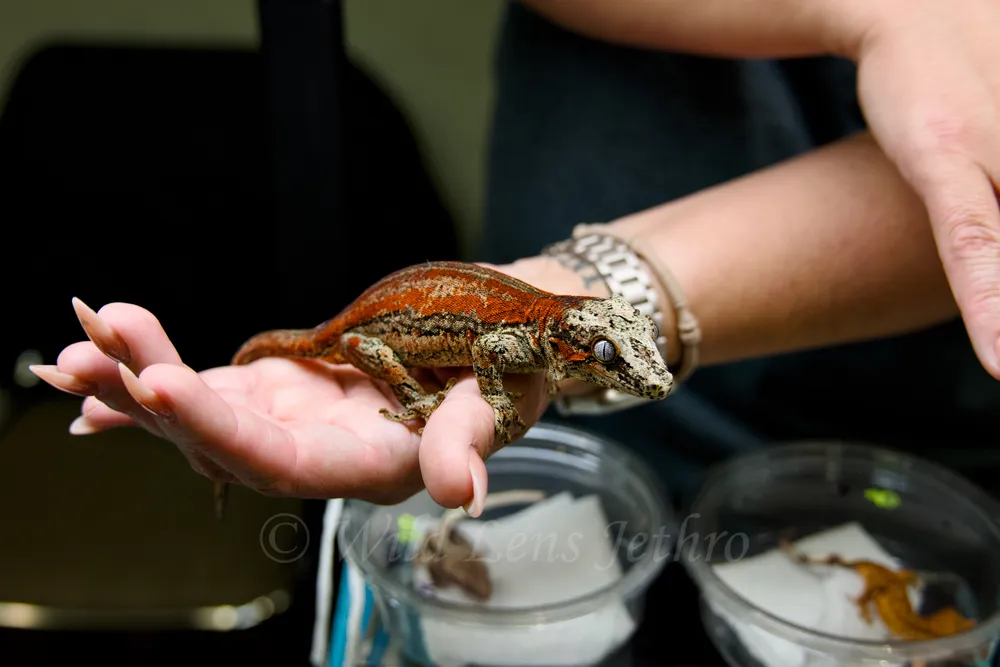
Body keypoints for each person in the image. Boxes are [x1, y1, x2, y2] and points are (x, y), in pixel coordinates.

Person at [28, 0, 1000, 516]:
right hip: (442, 331)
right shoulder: (514, 344)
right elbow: (485, 360)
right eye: (605, 353)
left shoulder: (539, 338)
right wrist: (889, 10)